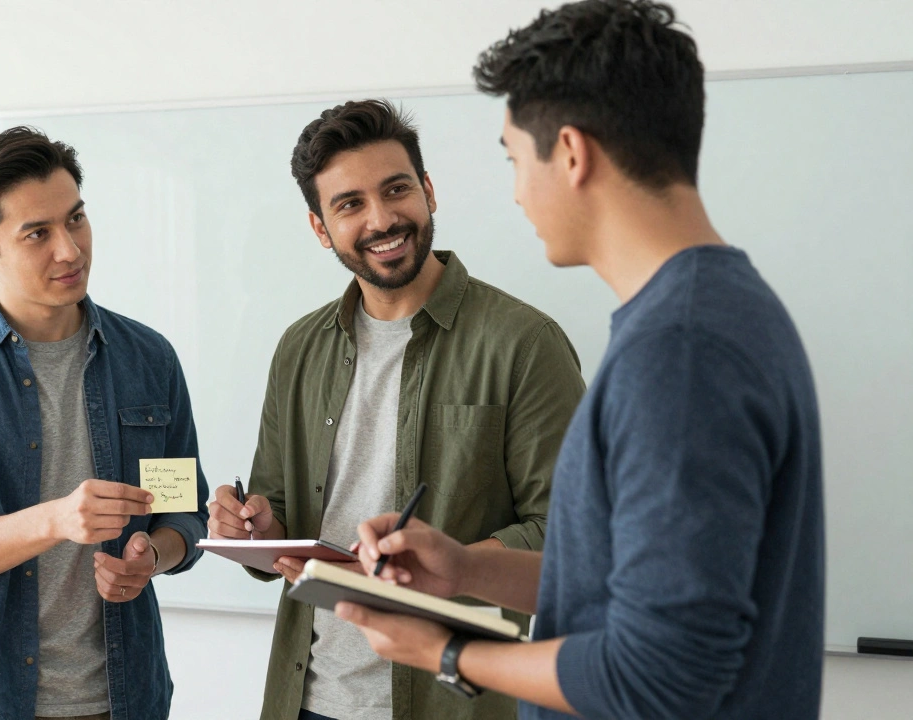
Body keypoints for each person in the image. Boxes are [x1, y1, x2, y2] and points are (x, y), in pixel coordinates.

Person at [339, 3, 825, 719]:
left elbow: (662, 674)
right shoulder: (711, 311)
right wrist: (468, 568)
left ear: (570, 152)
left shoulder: (681, 353)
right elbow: (629, 589)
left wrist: (444, 652)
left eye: (513, 158)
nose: (515, 191)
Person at [208, 99, 586, 720]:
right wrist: (251, 530)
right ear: (320, 228)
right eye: (350, 204)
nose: (382, 219)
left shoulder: (524, 343)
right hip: (308, 698)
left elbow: (572, 536)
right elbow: (279, 520)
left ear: (429, 191)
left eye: (397, 189)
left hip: (454, 700)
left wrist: (453, 564)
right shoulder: (299, 348)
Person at [0, 126, 209, 720]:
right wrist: (57, 519)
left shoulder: (149, 359)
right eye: (38, 233)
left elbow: (183, 512)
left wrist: (151, 555)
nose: (70, 249)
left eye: (76, 219)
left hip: (126, 698)